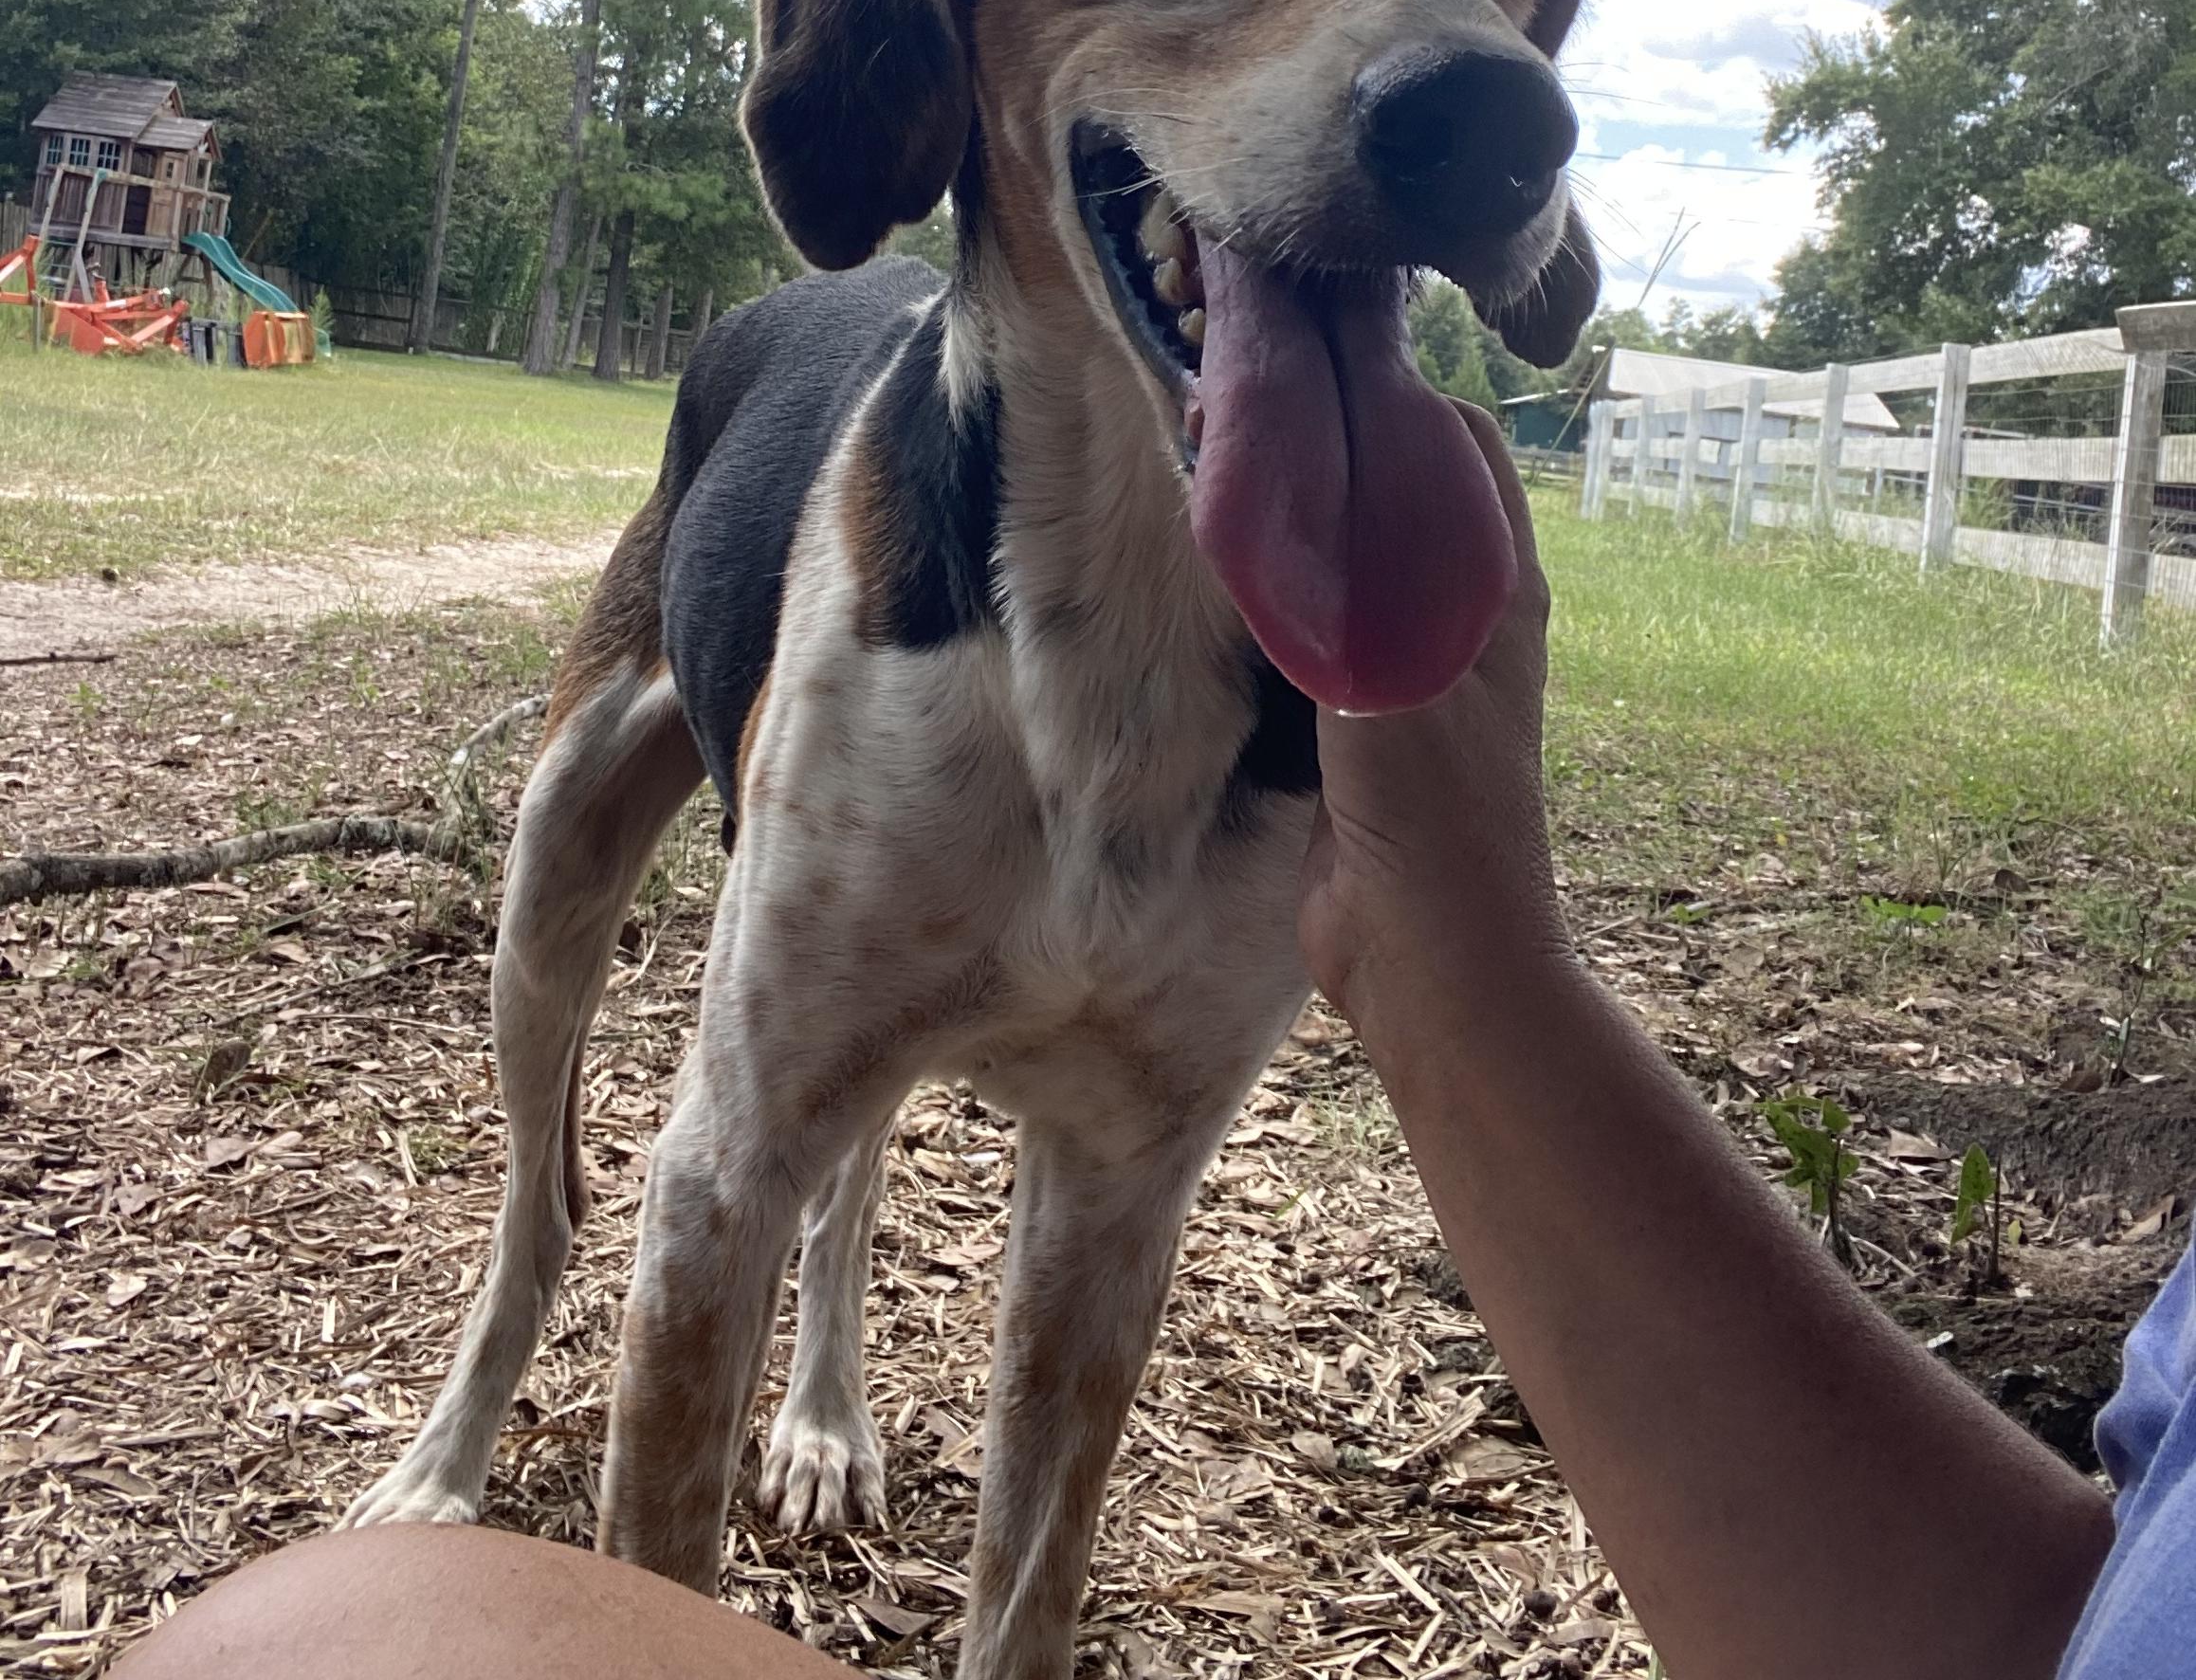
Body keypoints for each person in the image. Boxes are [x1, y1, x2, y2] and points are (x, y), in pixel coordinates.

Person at [126, 413, 2165, 1680]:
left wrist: (1448, 950)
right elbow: (723, 1170)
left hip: (1260, 764)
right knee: (696, 1050)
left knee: (1031, 1159)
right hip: (831, 551)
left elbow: (1107, 1212)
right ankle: (497, 1334)